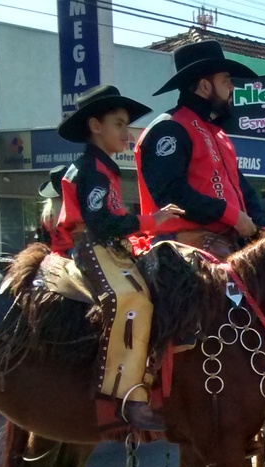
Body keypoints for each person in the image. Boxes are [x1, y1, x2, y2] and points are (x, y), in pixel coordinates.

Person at [56, 84, 186, 432]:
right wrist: (150, 221)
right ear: (95, 126)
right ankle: (123, 395)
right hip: (94, 248)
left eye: (126, 125)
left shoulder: (100, 167)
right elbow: (101, 222)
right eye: (119, 124)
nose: (127, 134)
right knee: (133, 300)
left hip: (106, 246)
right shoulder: (93, 170)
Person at [136, 39, 265, 257]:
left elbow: (243, 190)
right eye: (226, 81)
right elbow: (171, 193)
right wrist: (232, 215)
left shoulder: (218, 134)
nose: (231, 87)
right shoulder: (169, 128)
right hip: (181, 248)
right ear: (205, 86)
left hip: (224, 243)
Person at [37, 165, 67, 252]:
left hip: (55, 252)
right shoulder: (70, 211)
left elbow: (45, 239)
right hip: (74, 252)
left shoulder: (46, 215)